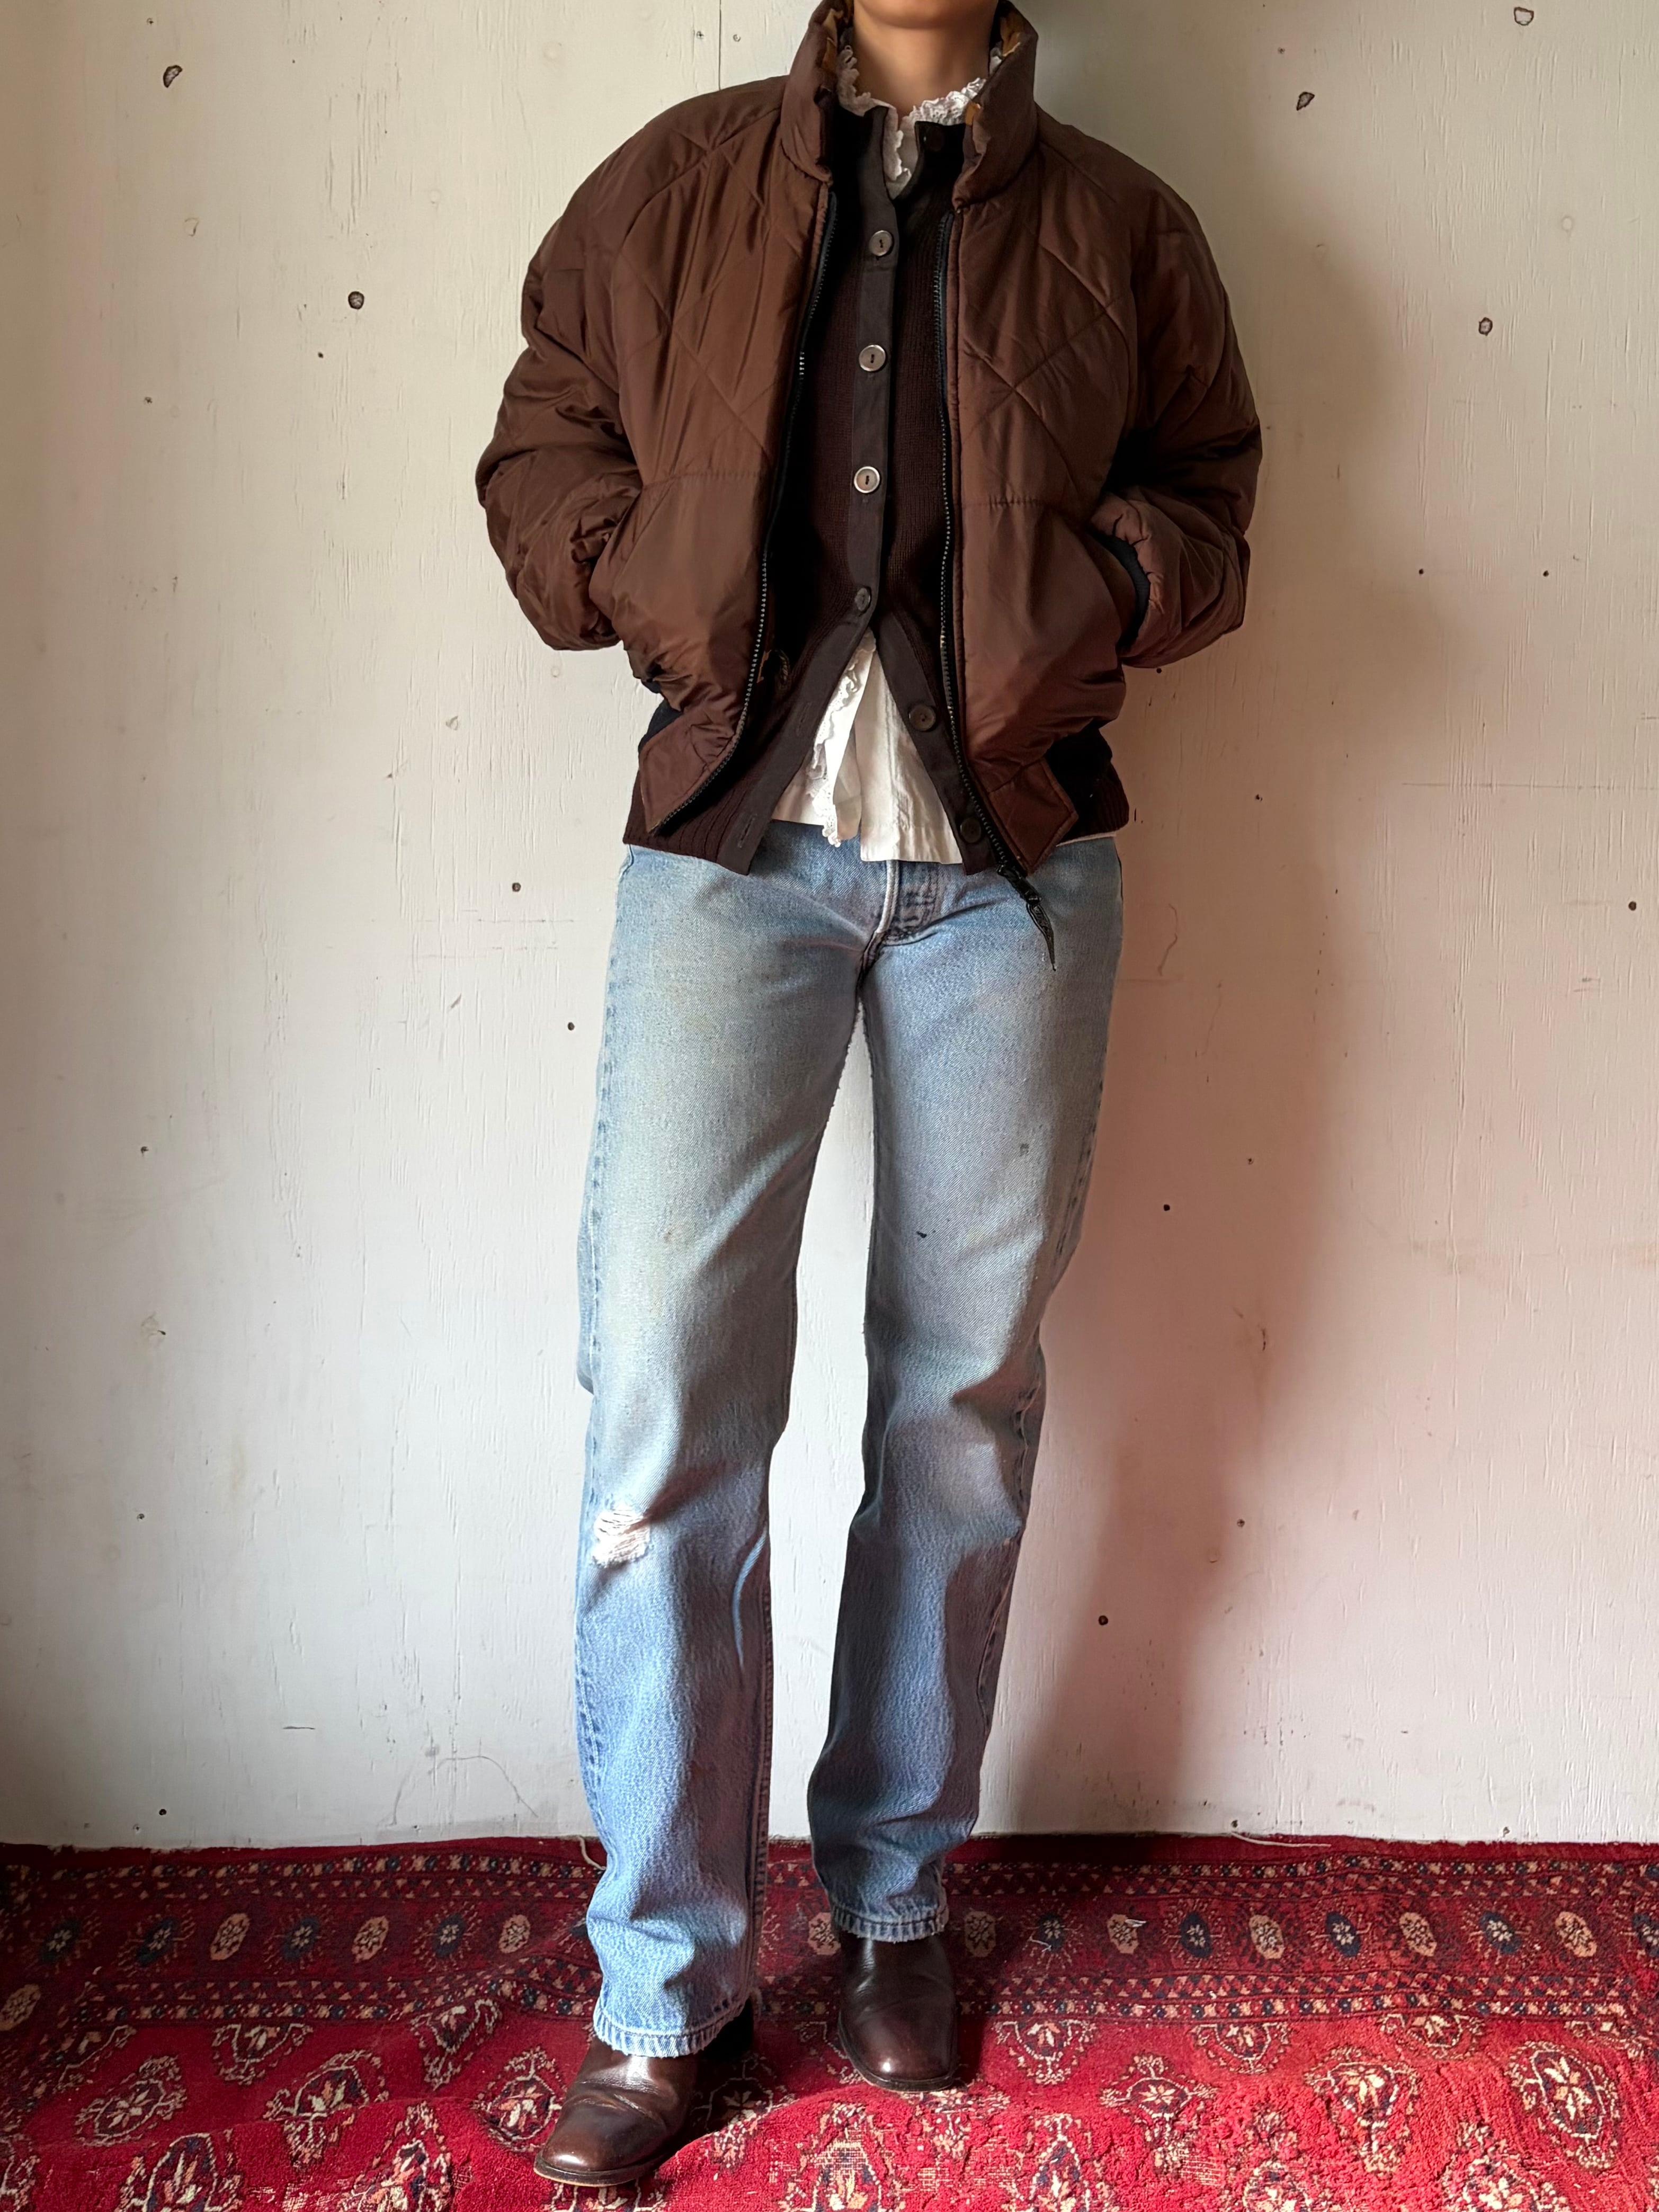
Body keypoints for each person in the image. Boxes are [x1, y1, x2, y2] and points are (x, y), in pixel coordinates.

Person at [477, 0, 1260, 2186]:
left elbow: (1215, 501)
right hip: (728, 862)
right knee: (663, 1418)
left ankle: (896, 1901)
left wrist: (1101, 589)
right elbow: (542, 447)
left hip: (1015, 870)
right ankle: (668, 1989)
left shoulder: (1126, 226)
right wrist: (651, 583)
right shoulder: (673, 183)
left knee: (959, 1406)